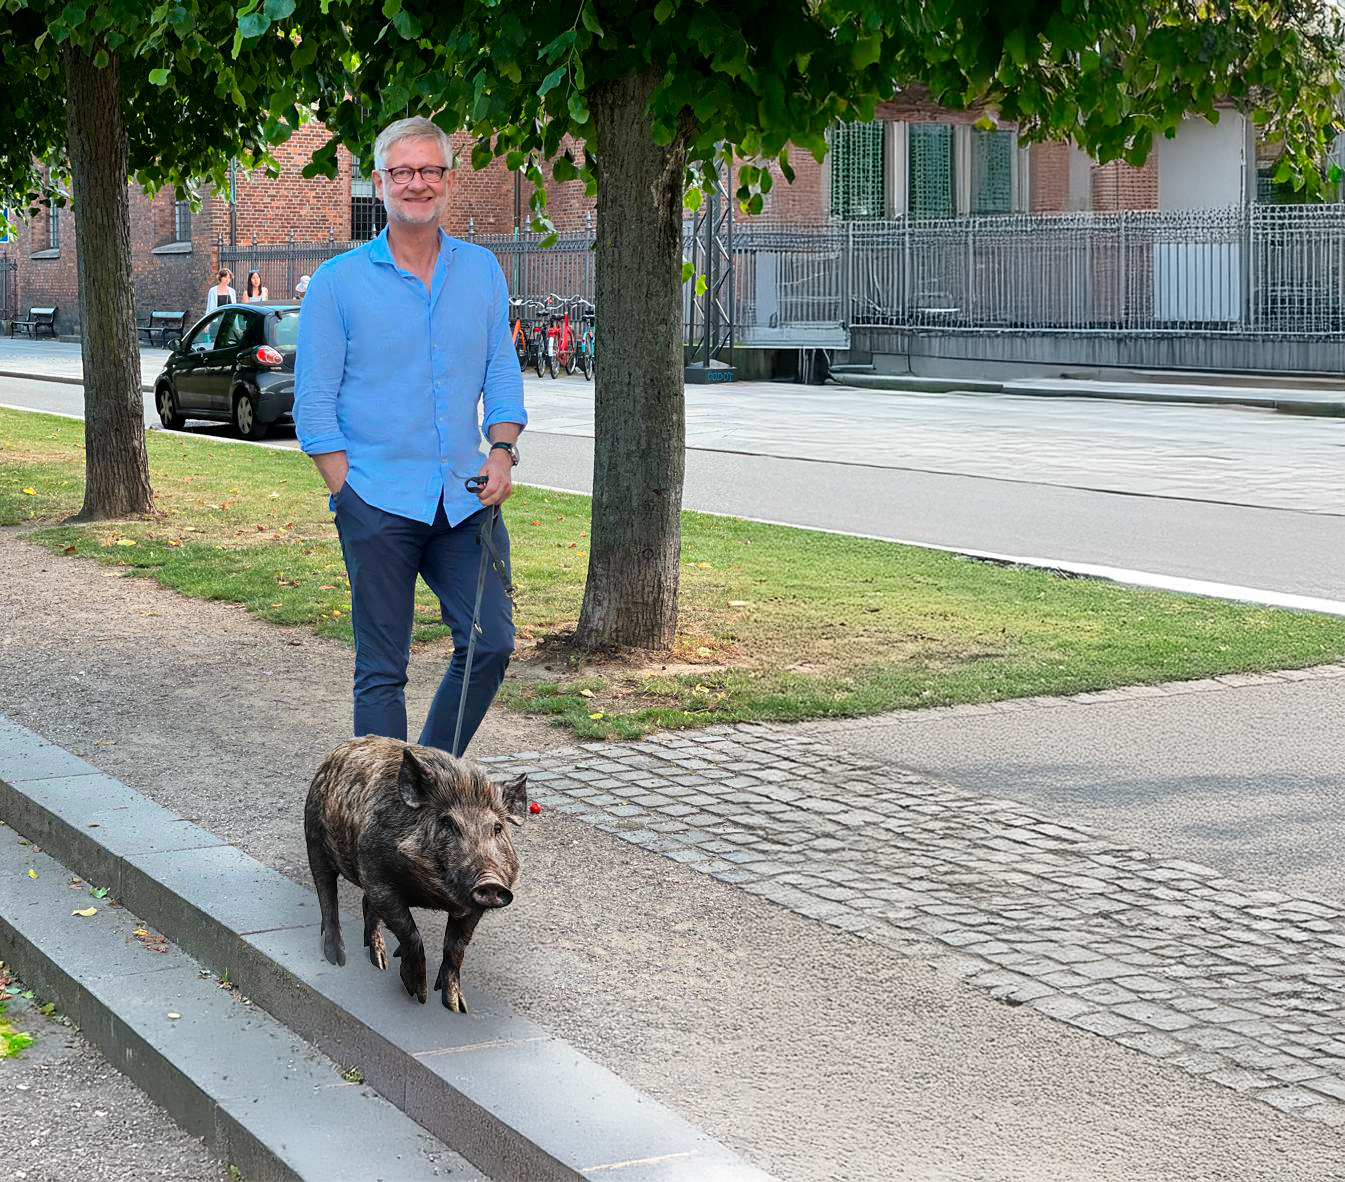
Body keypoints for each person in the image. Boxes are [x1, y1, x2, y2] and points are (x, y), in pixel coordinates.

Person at [294, 116, 525, 757]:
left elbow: (502, 377)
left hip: (464, 497)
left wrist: (502, 450)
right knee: (381, 671)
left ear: (448, 181)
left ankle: (425, 781)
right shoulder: (338, 285)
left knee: (490, 642)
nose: (416, 183)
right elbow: (313, 408)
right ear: (379, 182)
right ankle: (384, 828)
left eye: (429, 170)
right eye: (403, 171)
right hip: (376, 501)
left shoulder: (481, 272)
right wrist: (350, 496)